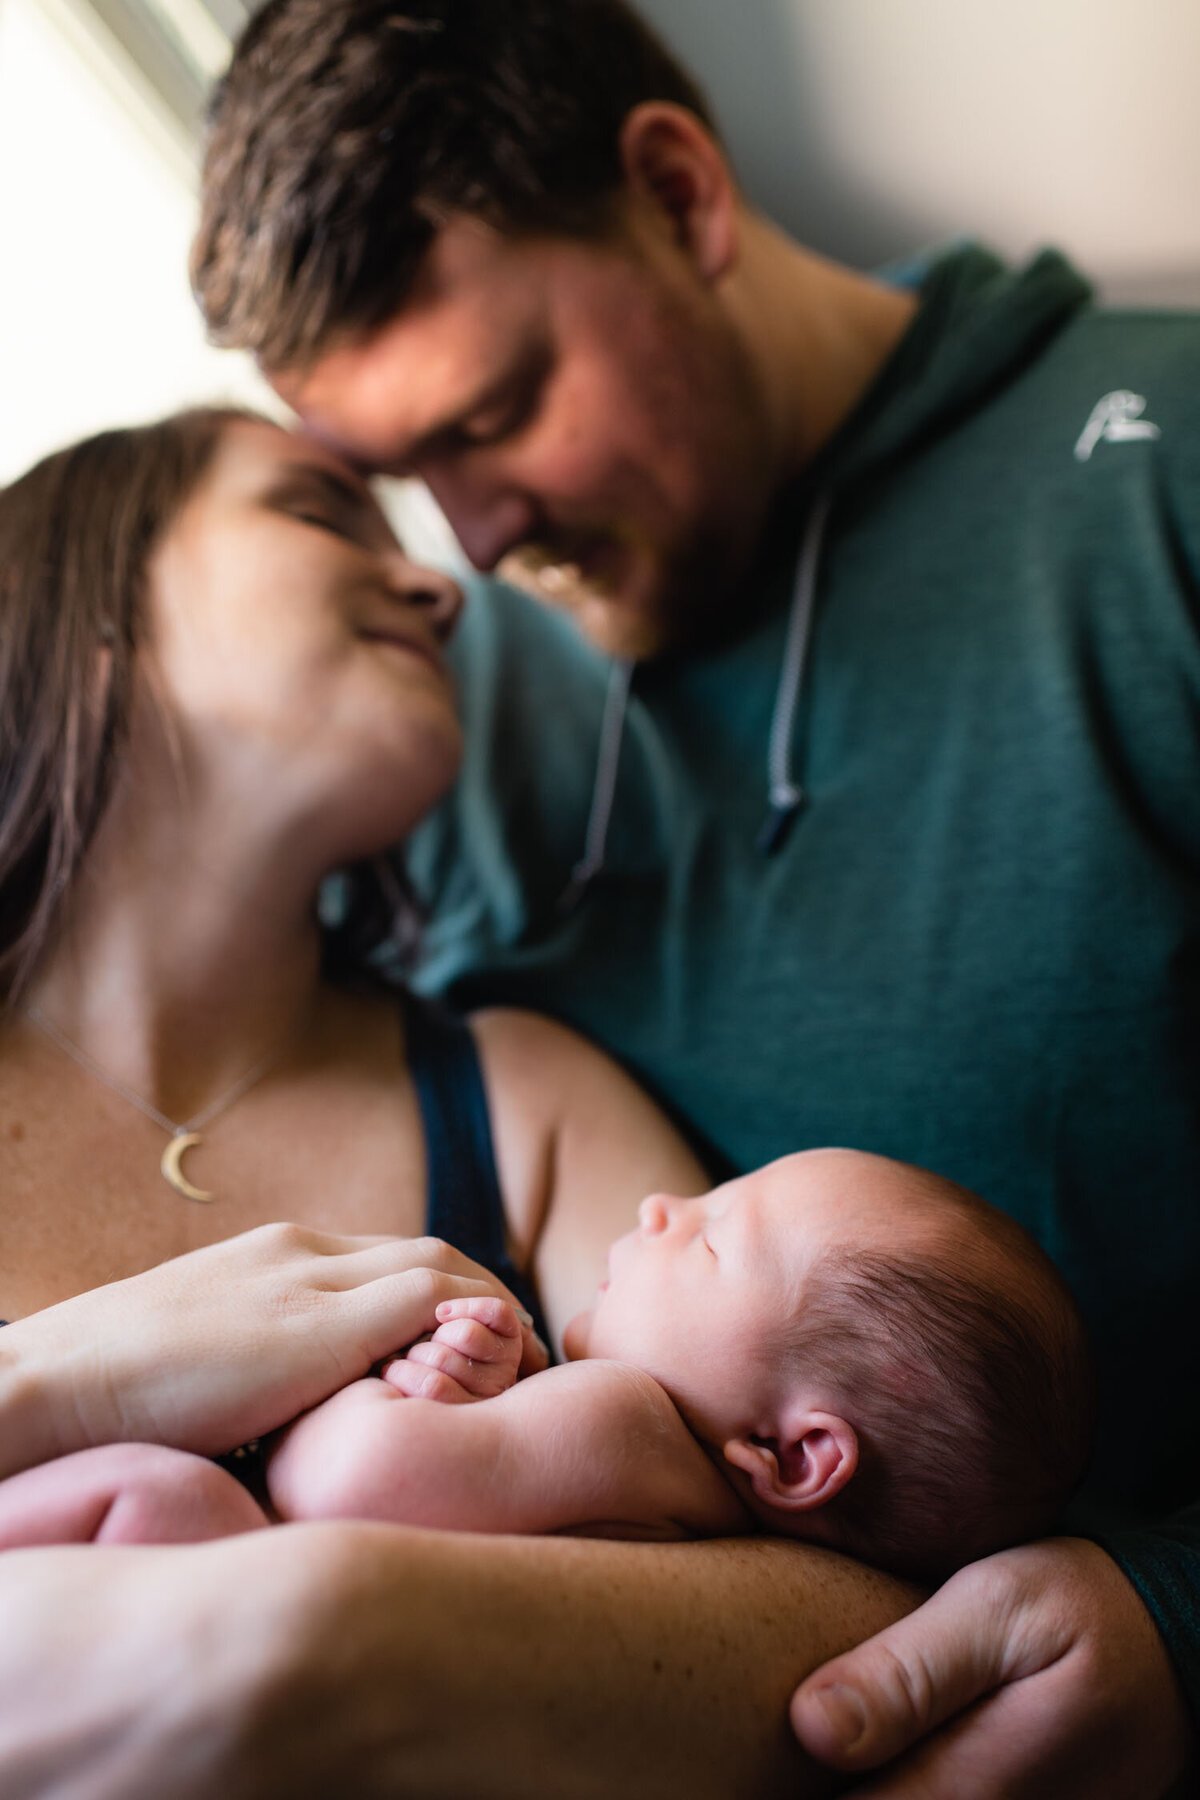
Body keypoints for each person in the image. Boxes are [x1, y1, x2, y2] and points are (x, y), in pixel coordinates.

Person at [184, 2, 1200, 1795]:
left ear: (678, 191)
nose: (471, 544)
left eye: (494, 419)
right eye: (401, 476)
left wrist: (1192, 1619)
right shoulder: (439, 707)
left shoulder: (1164, 486)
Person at [0, 406, 926, 1795]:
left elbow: (859, 1611)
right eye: (319, 513)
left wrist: (321, 1631)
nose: (441, 588)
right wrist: (73, 1381)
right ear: (83, 616)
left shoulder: (522, 1098)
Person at [0, 1151, 1094, 1590]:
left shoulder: (627, 1417)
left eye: (712, 1236)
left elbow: (343, 1487)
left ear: (797, 1454)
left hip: (240, 1616)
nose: (665, 1206)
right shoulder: (688, 1509)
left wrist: (375, 1376)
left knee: (169, 1495)